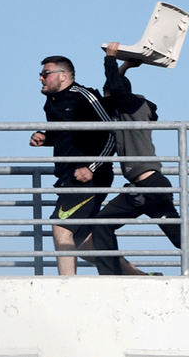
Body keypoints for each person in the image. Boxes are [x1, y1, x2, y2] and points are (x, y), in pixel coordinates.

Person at [92, 43, 189, 276]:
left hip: (152, 186)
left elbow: (115, 88)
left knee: (180, 237)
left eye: (111, 94)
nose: (108, 97)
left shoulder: (134, 107)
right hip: (135, 190)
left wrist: (111, 59)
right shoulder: (124, 108)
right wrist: (125, 66)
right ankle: (112, 278)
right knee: (102, 225)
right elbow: (112, 89)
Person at [30, 55, 117, 275]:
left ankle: (66, 289)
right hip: (67, 176)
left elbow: (113, 133)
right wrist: (45, 138)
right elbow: (66, 134)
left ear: (63, 76)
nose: (41, 78)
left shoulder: (84, 96)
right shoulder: (52, 101)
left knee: (61, 227)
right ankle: (140, 277)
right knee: (82, 243)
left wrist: (92, 168)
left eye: (45, 73)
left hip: (90, 176)